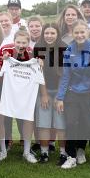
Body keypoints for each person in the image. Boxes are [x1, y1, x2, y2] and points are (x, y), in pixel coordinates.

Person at [56, 22, 90, 169]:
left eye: (82, 32)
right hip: (73, 93)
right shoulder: (69, 50)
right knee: (71, 123)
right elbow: (66, 76)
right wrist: (60, 97)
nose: (80, 35)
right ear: (72, 34)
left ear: (87, 33)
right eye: (76, 33)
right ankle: (71, 157)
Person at [0, 29, 42, 164]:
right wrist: (3, 62)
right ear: (13, 41)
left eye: (24, 42)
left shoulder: (32, 53)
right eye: (18, 42)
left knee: (28, 118)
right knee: (0, 118)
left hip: (25, 91)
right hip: (4, 89)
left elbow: (38, 75)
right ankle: (3, 150)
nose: (21, 45)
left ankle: (26, 152)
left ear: (28, 43)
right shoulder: (5, 50)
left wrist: (40, 66)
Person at [33, 23, 67, 164]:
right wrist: (44, 94)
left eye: (52, 33)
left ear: (57, 34)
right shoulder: (38, 47)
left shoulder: (64, 47)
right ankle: (44, 152)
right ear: (43, 34)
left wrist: (59, 96)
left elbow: (64, 74)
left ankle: (63, 153)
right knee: (44, 123)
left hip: (61, 90)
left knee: (61, 123)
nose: (49, 36)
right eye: (47, 33)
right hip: (44, 89)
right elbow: (38, 73)